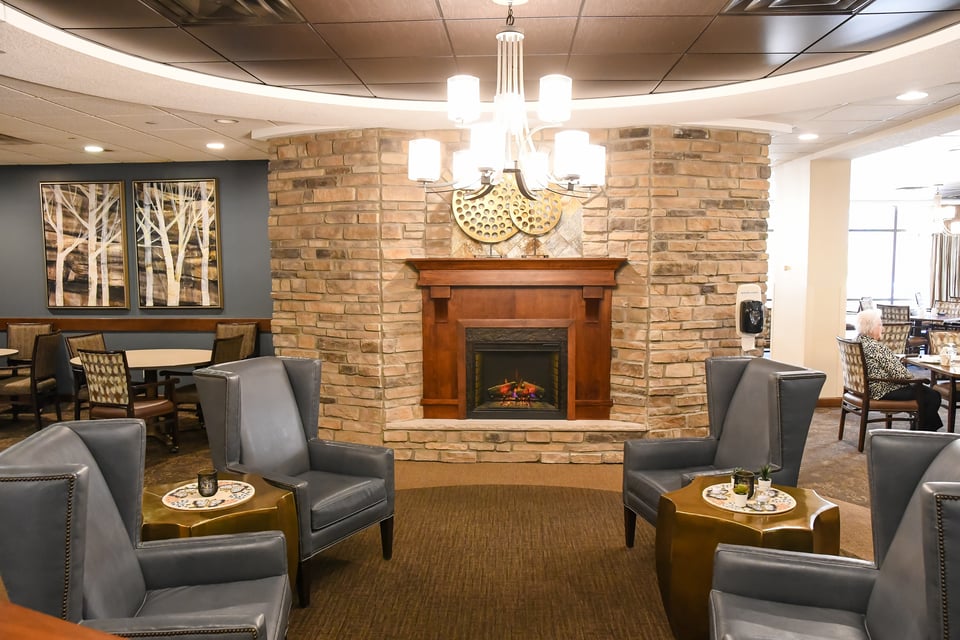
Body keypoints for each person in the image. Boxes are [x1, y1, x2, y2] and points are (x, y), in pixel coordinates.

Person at [856, 308, 943, 431]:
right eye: (880, 325)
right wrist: (915, 379)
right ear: (871, 328)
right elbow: (901, 375)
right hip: (883, 390)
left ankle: (920, 429)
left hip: (869, 388)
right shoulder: (875, 347)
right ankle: (923, 433)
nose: (883, 328)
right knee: (933, 395)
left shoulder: (859, 341)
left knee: (927, 394)